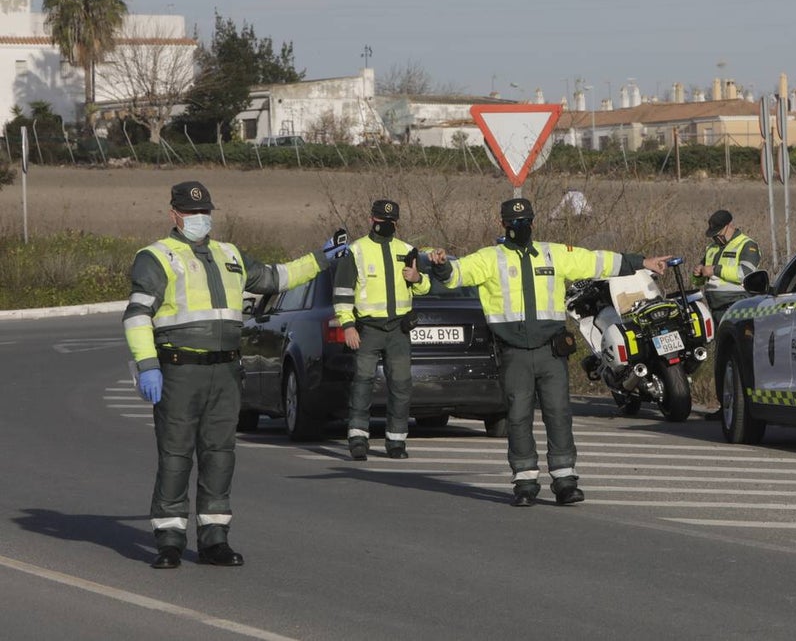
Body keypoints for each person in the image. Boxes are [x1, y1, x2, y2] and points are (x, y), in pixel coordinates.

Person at [123, 181, 342, 569]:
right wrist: (147, 365)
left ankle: (214, 541)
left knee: (219, 455)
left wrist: (321, 258)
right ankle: (170, 541)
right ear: (173, 214)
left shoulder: (230, 255)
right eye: (190, 213)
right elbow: (138, 315)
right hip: (179, 371)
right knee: (176, 456)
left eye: (205, 212)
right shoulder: (156, 257)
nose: (199, 219)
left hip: (225, 371)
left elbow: (277, 277)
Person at [429, 197, 670, 507]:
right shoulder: (489, 258)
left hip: (550, 351)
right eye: (515, 222)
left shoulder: (552, 253)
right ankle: (525, 481)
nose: (522, 226)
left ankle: (565, 481)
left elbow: (595, 261)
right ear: (503, 224)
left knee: (559, 414)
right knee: (518, 416)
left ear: (534, 221)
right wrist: (441, 265)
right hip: (514, 352)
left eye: (526, 220)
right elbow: (456, 275)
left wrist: (642, 262)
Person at [333, 199, 429, 461]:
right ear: (371, 220)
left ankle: (396, 441)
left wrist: (417, 278)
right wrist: (348, 325)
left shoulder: (408, 249)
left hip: (398, 329)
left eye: (390, 222)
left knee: (401, 385)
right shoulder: (356, 251)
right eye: (381, 221)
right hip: (368, 329)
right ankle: (358, 439)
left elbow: (424, 287)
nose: (385, 225)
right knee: (363, 383)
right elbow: (342, 293)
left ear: (396, 223)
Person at [692, 209, 761, 324]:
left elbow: (745, 273)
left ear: (729, 226)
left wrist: (714, 269)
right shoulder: (711, 248)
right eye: (713, 236)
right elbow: (698, 281)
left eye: (718, 234)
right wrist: (697, 274)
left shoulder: (747, 245)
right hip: (715, 308)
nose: (716, 238)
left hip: (738, 306)